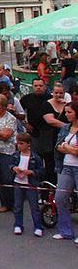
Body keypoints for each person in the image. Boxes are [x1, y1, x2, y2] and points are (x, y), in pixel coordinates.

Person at [52, 100, 78, 242]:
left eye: (69, 112)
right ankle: (65, 231)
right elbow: (58, 146)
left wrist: (66, 147)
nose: (66, 114)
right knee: (60, 198)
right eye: (66, 112)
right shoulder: (66, 128)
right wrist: (70, 149)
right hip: (66, 166)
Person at [11, 133, 44, 236]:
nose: (19, 146)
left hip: (30, 184)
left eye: (22, 143)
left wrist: (31, 172)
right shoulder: (16, 155)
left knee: (34, 207)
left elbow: (41, 170)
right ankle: (18, 225)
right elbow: (10, 165)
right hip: (18, 183)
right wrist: (14, 168)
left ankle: (38, 227)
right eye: (18, 143)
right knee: (17, 205)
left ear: (28, 144)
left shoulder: (35, 157)